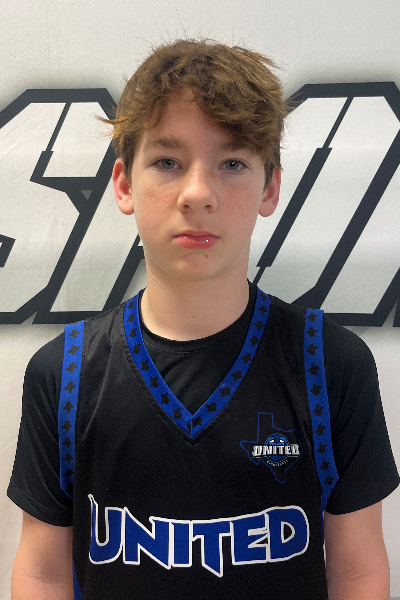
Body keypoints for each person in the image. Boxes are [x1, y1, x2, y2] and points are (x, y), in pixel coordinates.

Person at [8, 38, 399, 600]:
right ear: (124, 184)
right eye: (167, 162)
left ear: (269, 188)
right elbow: (42, 572)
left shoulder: (330, 364)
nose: (198, 193)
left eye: (232, 163)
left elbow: (357, 570)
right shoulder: (63, 374)